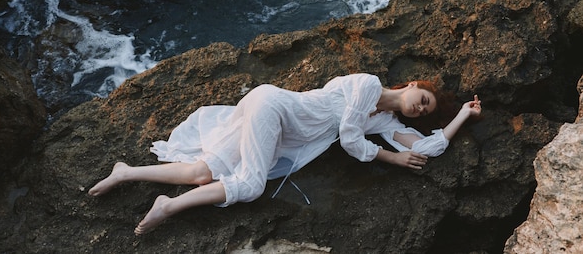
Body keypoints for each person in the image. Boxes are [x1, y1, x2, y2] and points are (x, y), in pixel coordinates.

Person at [88, 73, 482, 235]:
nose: (419, 108)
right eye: (423, 98)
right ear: (413, 84)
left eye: (425, 111)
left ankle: (125, 172)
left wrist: (461, 115)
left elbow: (428, 147)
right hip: (274, 108)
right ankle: (166, 207)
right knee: (251, 185)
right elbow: (348, 138)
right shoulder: (368, 85)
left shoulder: (381, 124)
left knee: (201, 172)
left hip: (276, 125)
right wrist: (389, 158)